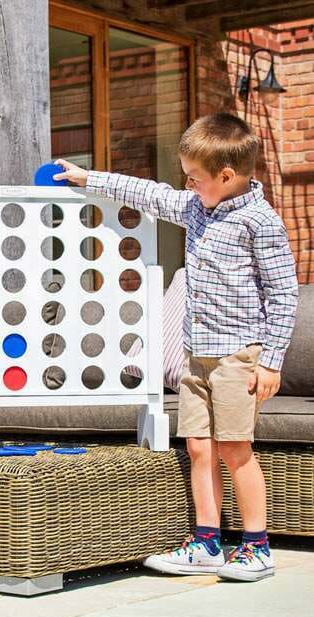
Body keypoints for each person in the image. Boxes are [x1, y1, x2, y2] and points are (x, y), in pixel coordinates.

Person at [54, 112, 298, 582]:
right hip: (195, 354)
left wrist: (270, 361)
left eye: (194, 177)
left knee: (235, 449)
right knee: (199, 448)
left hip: (238, 357)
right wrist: (90, 178)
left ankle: (256, 546)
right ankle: (207, 542)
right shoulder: (194, 207)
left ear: (226, 176)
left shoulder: (260, 222)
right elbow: (149, 193)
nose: (186, 185)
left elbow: (283, 293)